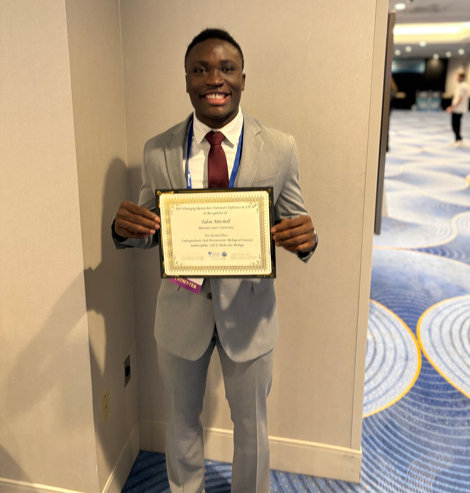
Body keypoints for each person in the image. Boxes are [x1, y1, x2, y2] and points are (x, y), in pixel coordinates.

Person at [112, 28, 317, 493]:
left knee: (252, 430)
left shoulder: (280, 146)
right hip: (180, 313)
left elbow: (296, 221)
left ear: (243, 78)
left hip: (250, 315)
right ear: (186, 80)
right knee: (181, 424)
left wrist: (307, 240)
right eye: (200, 69)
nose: (214, 79)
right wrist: (125, 231)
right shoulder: (157, 149)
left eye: (226, 68)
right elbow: (151, 230)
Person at [446, 71, 469, 147]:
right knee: (456, 124)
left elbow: (460, 98)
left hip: (458, 108)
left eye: (458, 76)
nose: (456, 78)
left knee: (455, 125)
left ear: (462, 77)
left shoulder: (463, 86)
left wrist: (452, 107)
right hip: (457, 108)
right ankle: (457, 139)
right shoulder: (461, 85)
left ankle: (459, 140)